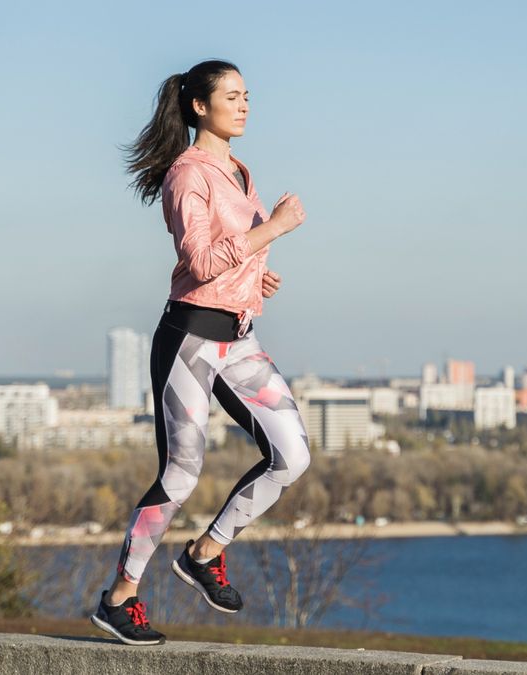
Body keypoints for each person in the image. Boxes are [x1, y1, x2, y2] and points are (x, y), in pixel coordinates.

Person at [89, 59, 311, 646]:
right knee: (181, 474)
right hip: (189, 339)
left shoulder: (239, 170)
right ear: (199, 107)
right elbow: (199, 261)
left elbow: (229, 261)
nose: (244, 105)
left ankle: (205, 553)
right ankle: (119, 599)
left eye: (247, 96)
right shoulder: (187, 174)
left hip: (238, 340)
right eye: (232, 96)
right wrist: (275, 230)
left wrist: (256, 277)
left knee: (292, 456)